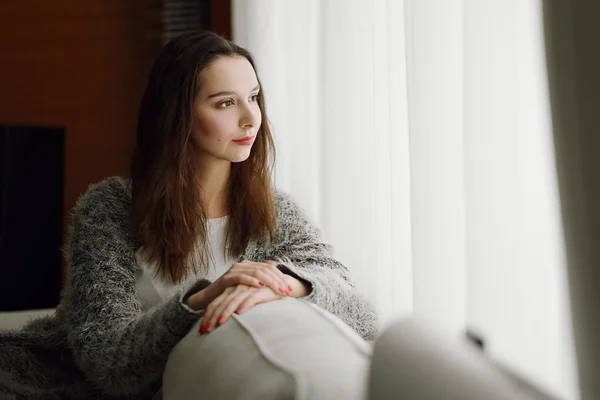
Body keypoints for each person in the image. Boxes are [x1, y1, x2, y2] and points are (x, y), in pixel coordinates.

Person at [0, 31, 378, 399]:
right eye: (225, 103)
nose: (251, 118)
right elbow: (108, 359)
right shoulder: (111, 207)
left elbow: (361, 316)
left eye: (254, 97)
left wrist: (285, 283)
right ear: (178, 114)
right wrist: (204, 298)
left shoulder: (274, 211)